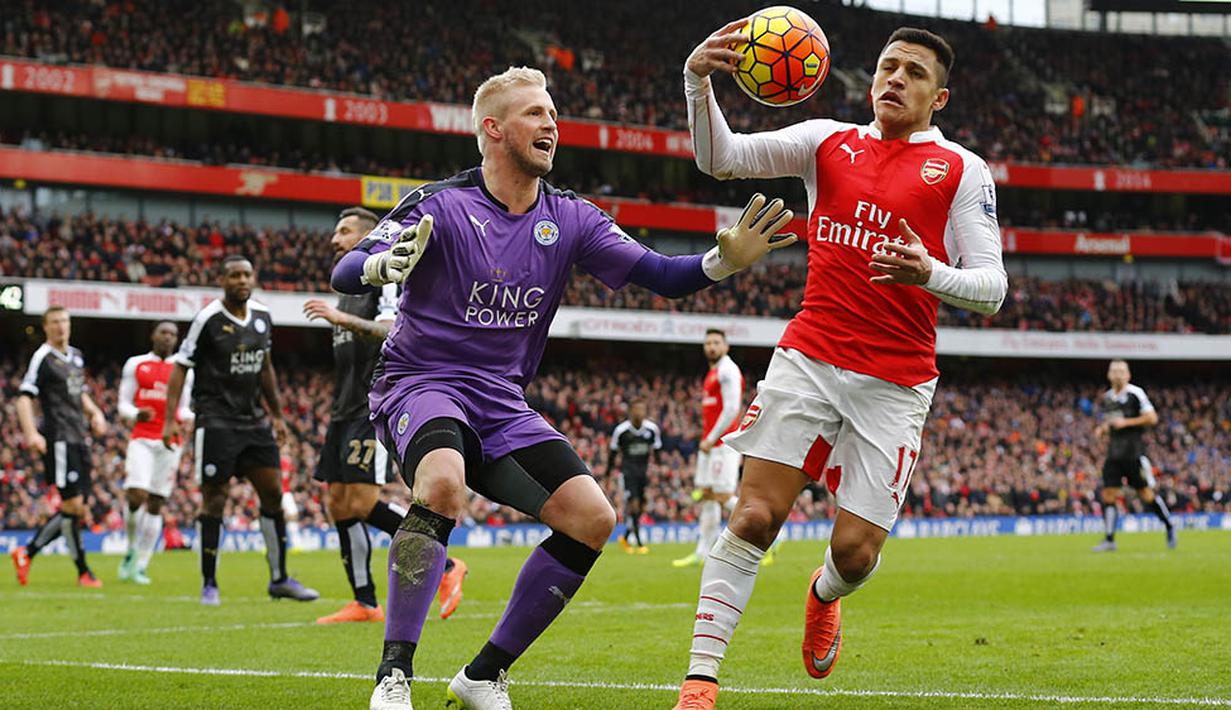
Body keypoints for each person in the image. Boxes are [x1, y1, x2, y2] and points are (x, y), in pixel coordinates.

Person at [330, 66, 796, 710]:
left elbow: (661, 275)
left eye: (553, 114)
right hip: (421, 383)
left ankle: (482, 675)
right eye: (534, 114)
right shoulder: (441, 203)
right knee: (440, 483)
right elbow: (346, 269)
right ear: (493, 130)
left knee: (593, 519)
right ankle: (393, 677)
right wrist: (380, 263)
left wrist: (723, 261)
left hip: (501, 401)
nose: (551, 124)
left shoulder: (571, 217)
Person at [672, 24, 1008, 709]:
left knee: (854, 554)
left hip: (895, 381)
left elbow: (991, 288)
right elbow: (722, 157)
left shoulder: (961, 170)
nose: (894, 78)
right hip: (808, 357)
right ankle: (700, 682)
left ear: (938, 96)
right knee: (750, 519)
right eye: (887, 66)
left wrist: (929, 273)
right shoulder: (825, 141)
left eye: (913, 72)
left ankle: (823, 595)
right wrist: (696, 81)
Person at [305, 206, 468, 624]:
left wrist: (340, 319)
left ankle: (447, 565)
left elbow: (391, 332)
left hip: (371, 403)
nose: (334, 239)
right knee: (339, 504)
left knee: (362, 501)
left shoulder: (384, 281)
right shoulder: (346, 289)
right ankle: (364, 601)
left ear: (365, 237)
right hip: (343, 409)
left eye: (343, 232)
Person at [163, 254, 319, 606]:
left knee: (274, 495)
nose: (242, 281)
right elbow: (180, 368)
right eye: (234, 275)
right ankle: (209, 583)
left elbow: (265, 369)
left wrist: (277, 416)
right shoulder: (208, 320)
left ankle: (279, 578)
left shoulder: (263, 317)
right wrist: (170, 418)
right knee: (214, 500)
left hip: (254, 423)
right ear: (223, 281)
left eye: (247, 275)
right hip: (215, 421)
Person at [11, 306, 108, 587]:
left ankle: (38, 557)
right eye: (54, 322)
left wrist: (95, 413)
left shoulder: (75, 356)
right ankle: (75, 569)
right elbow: (24, 397)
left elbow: (81, 393)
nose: (60, 327)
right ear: (46, 327)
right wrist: (32, 434)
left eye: (64, 321)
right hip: (60, 439)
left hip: (79, 438)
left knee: (76, 509)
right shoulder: (43, 357)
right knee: (73, 505)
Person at [116, 321, 194, 585]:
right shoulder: (135, 364)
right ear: (153, 336)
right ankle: (130, 548)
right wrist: (135, 414)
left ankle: (141, 564)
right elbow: (123, 404)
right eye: (164, 332)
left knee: (157, 503)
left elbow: (183, 408)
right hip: (142, 438)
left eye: (173, 334)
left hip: (171, 442)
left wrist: (191, 417)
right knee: (136, 494)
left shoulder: (184, 370)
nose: (168, 338)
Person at [674, 329, 743, 568]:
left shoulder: (727, 370)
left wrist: (712, 438)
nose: (711, 346)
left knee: (721, 496)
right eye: (708, 343)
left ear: (726, 346)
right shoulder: (713, 372)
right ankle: (703, 552)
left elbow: (733, 408)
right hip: (711, 445)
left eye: (716, 342)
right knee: (707, 497)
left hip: (723, 444)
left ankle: (774, 535)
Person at [1093, 359, 1175, 551]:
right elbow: (1112, 421)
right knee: (1108, 494)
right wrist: (1103, 429)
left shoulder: (1135, 393)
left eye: (1122, 371)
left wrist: (1127, 422)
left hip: (1133, 453)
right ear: (1109, 375)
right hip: (1113, 454)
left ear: (1128, 375)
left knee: (1146, 494)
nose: (1118, 374)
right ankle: (1110, 539)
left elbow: (1152, 418)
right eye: (1114, 371)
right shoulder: (1107, 397)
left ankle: (1169, 526)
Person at [606, 398, 661, 553]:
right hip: (627, 473)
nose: (639, 412)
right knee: (634, 505)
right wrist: (608, 476)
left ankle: (625, 537)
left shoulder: (652, 430)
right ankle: (638, 542)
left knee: (641, 507)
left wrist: (658, 469)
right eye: (636, 409)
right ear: (630, 412)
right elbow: (612, 455)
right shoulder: (621, 431)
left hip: (643, 474)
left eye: (642, 409)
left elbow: (657, 452)